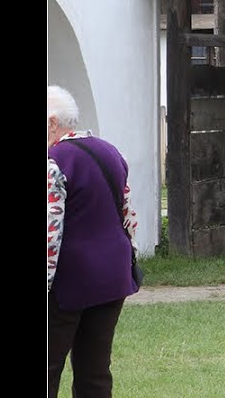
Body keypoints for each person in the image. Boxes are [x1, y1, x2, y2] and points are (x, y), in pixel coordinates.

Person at [48, 85, 140, 397]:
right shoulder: (112, 152)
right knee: (94, 371)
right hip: (112, 277)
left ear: (51, 123)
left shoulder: (53, 162)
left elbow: (50, 231)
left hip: (67, 283)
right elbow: (128, 216)